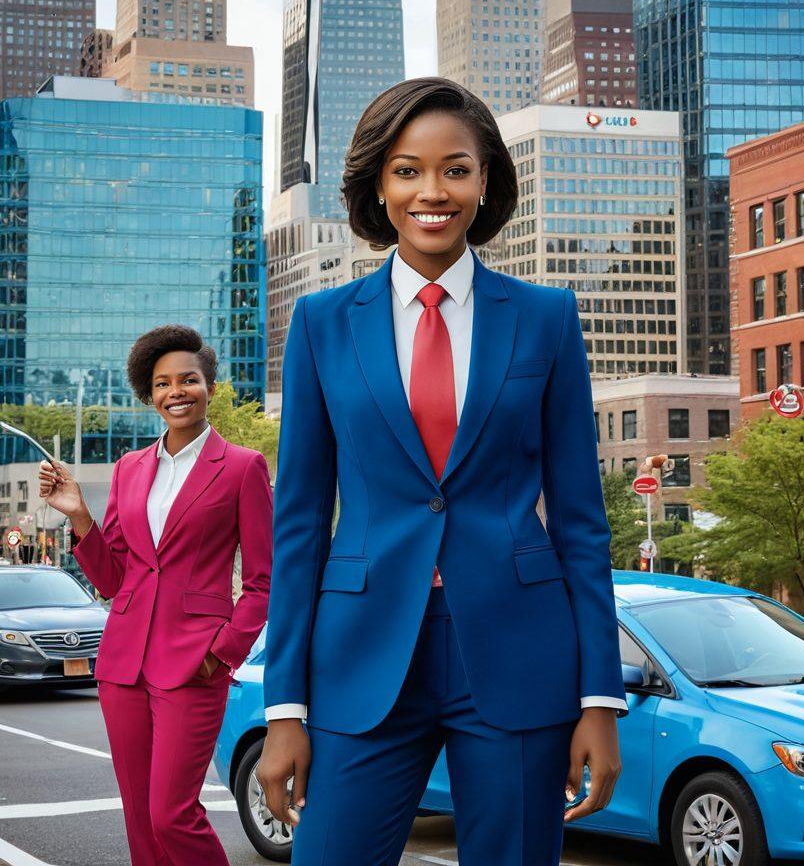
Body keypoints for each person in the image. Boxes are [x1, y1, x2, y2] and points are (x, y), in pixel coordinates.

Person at [259, 78, 626, 866]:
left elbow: (581, 523)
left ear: (485, 180)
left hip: (517, 648)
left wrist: (599, 697)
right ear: (378, 186)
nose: (433, 191)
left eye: (456, 169)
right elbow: (299, 527)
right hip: (362, 653)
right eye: (407, 171)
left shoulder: (547, 318)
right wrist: (284, 705)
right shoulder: (321, 324)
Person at [39, 325, 273, 866]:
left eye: (188, 380)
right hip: (124, 663)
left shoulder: (243, 467)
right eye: (163, 383)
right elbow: (114, 579)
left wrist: (221, 653)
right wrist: (80, 515)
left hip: (194, 662)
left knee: (173, 815)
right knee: (140, 818)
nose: (176, 392)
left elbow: (263, 582)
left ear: (208, 385)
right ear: (149, 394)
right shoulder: (130, 468)